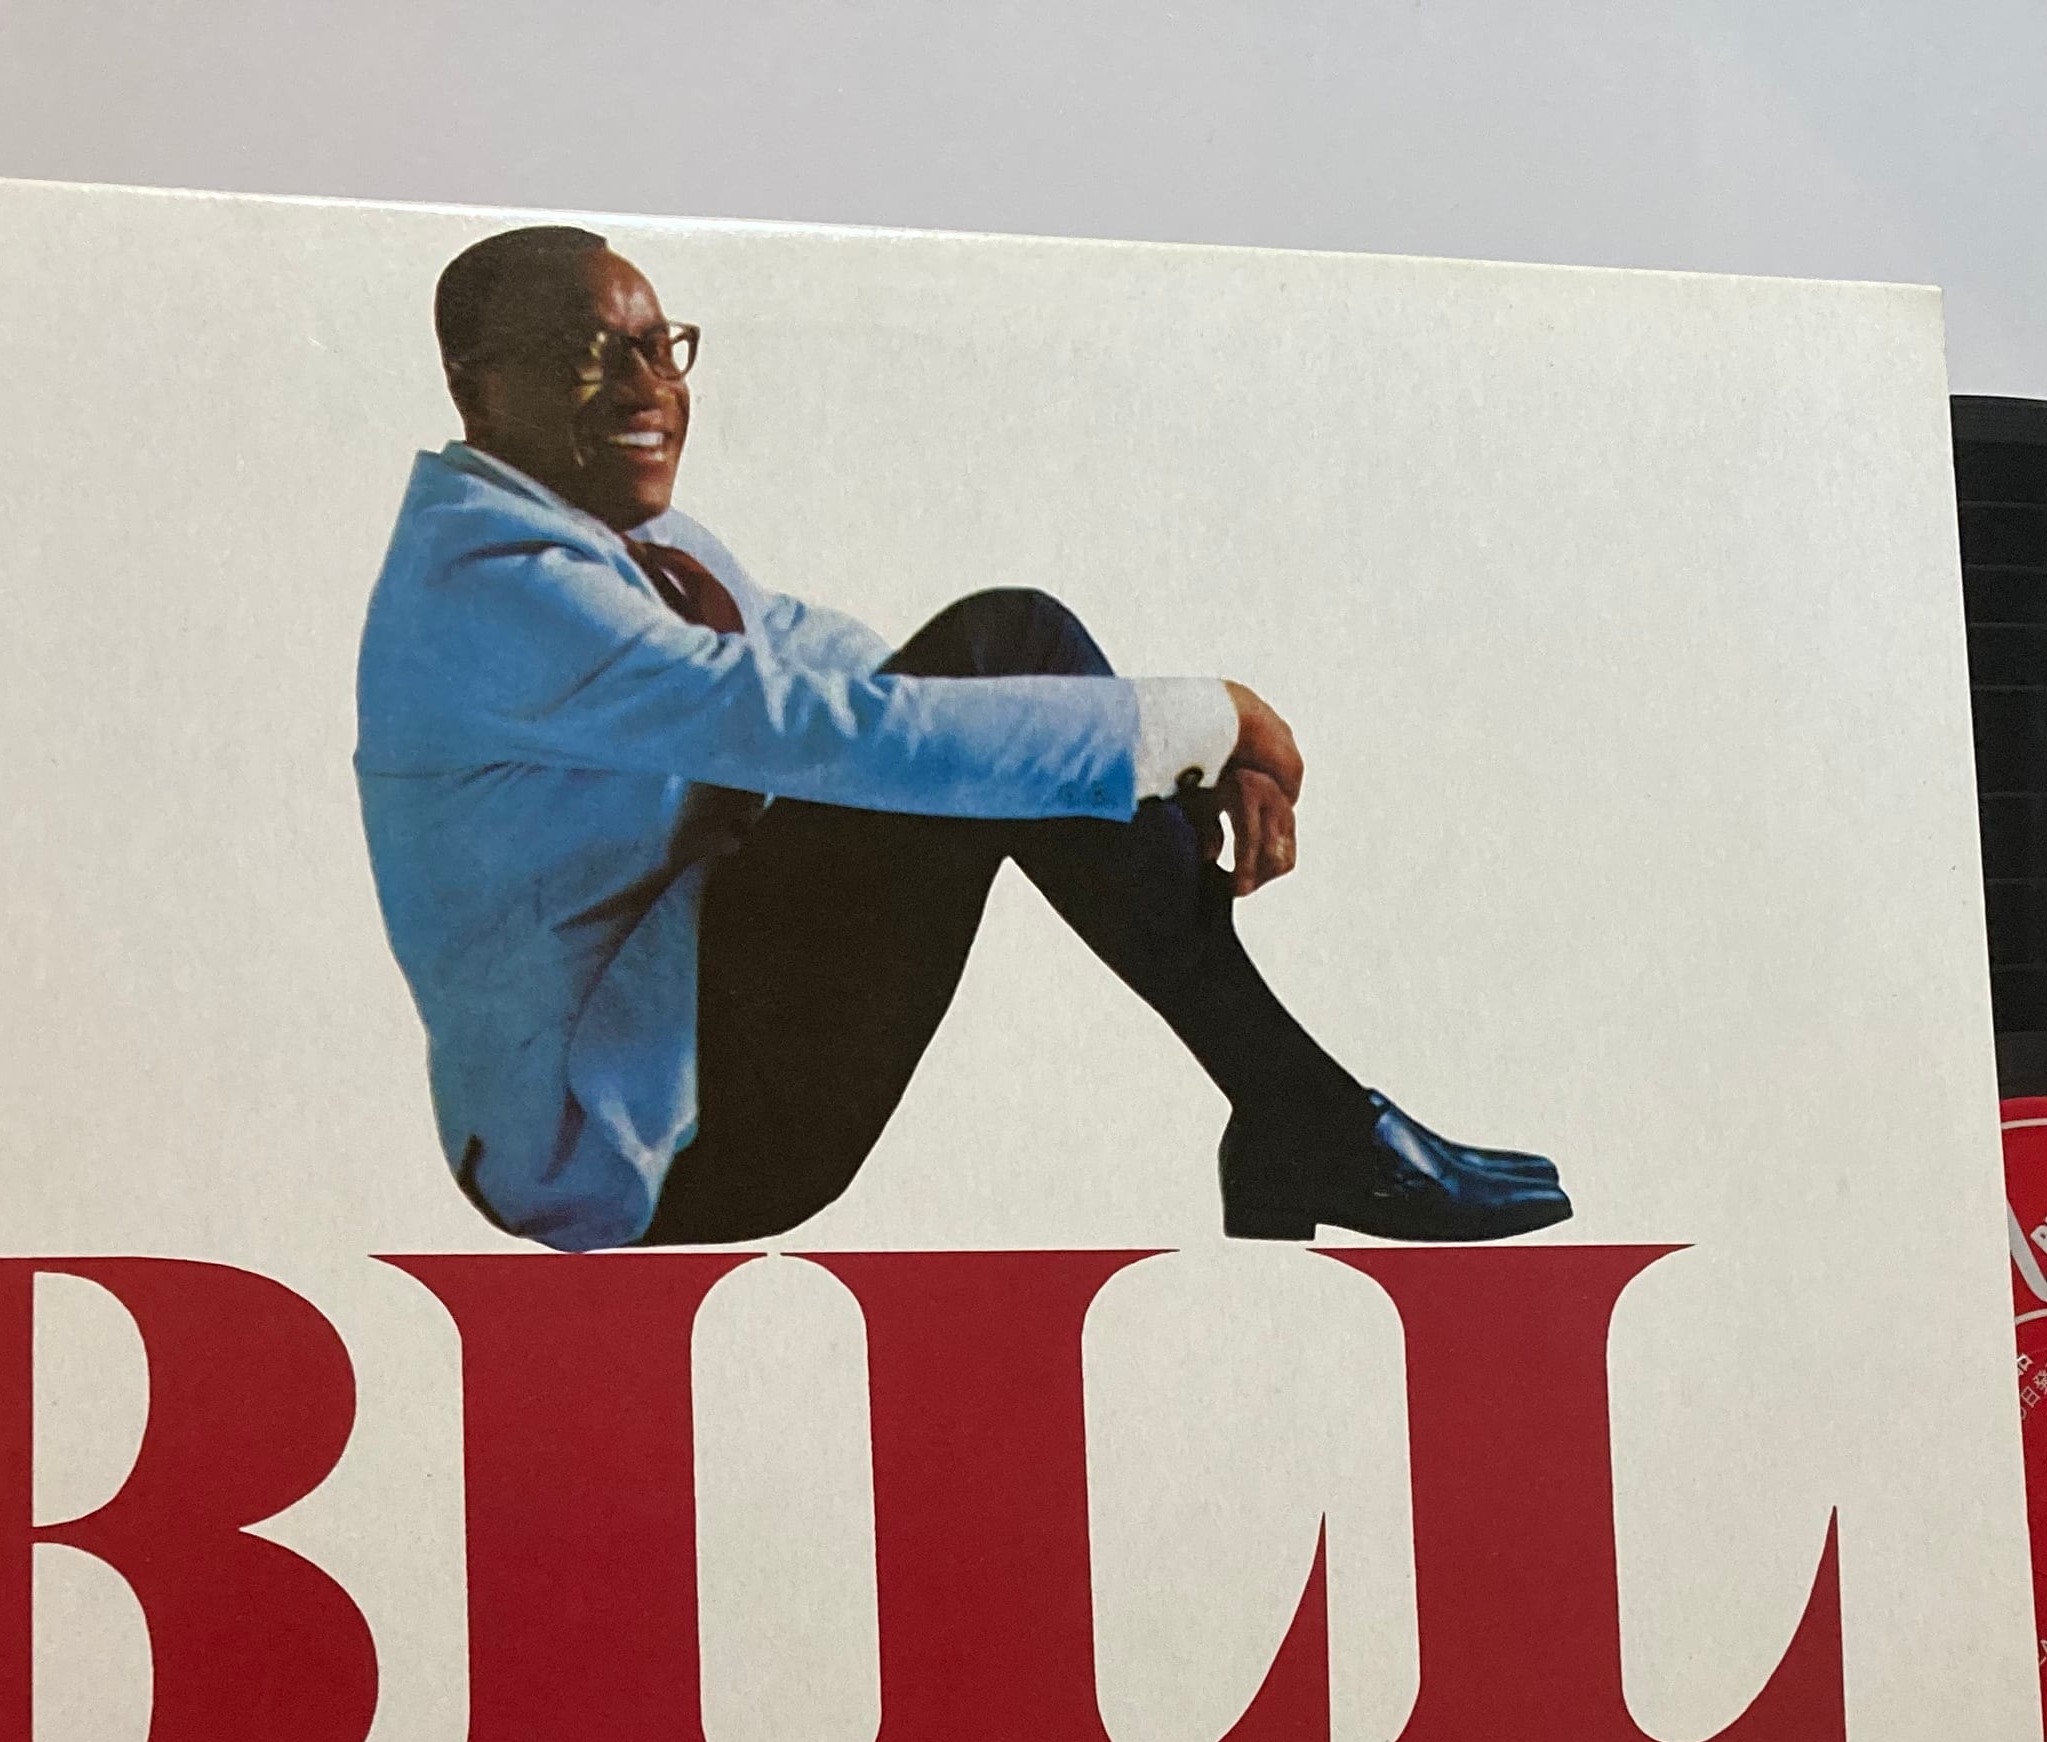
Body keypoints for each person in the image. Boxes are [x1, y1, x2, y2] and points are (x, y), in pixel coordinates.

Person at [353, 226, 1570, 1252]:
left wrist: (1135, 763)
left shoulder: (611, 541)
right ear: (479, 388)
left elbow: (821, 661)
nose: (646, 389)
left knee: (1007, 665)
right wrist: (1205, 722)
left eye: (658, 347)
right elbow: (801, 726)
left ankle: (1296, 1116)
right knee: (1005, 654)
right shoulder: (490, 589)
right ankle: (1303, 1117)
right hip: (629, 1143)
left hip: (684, 1049)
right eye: (587, 355)